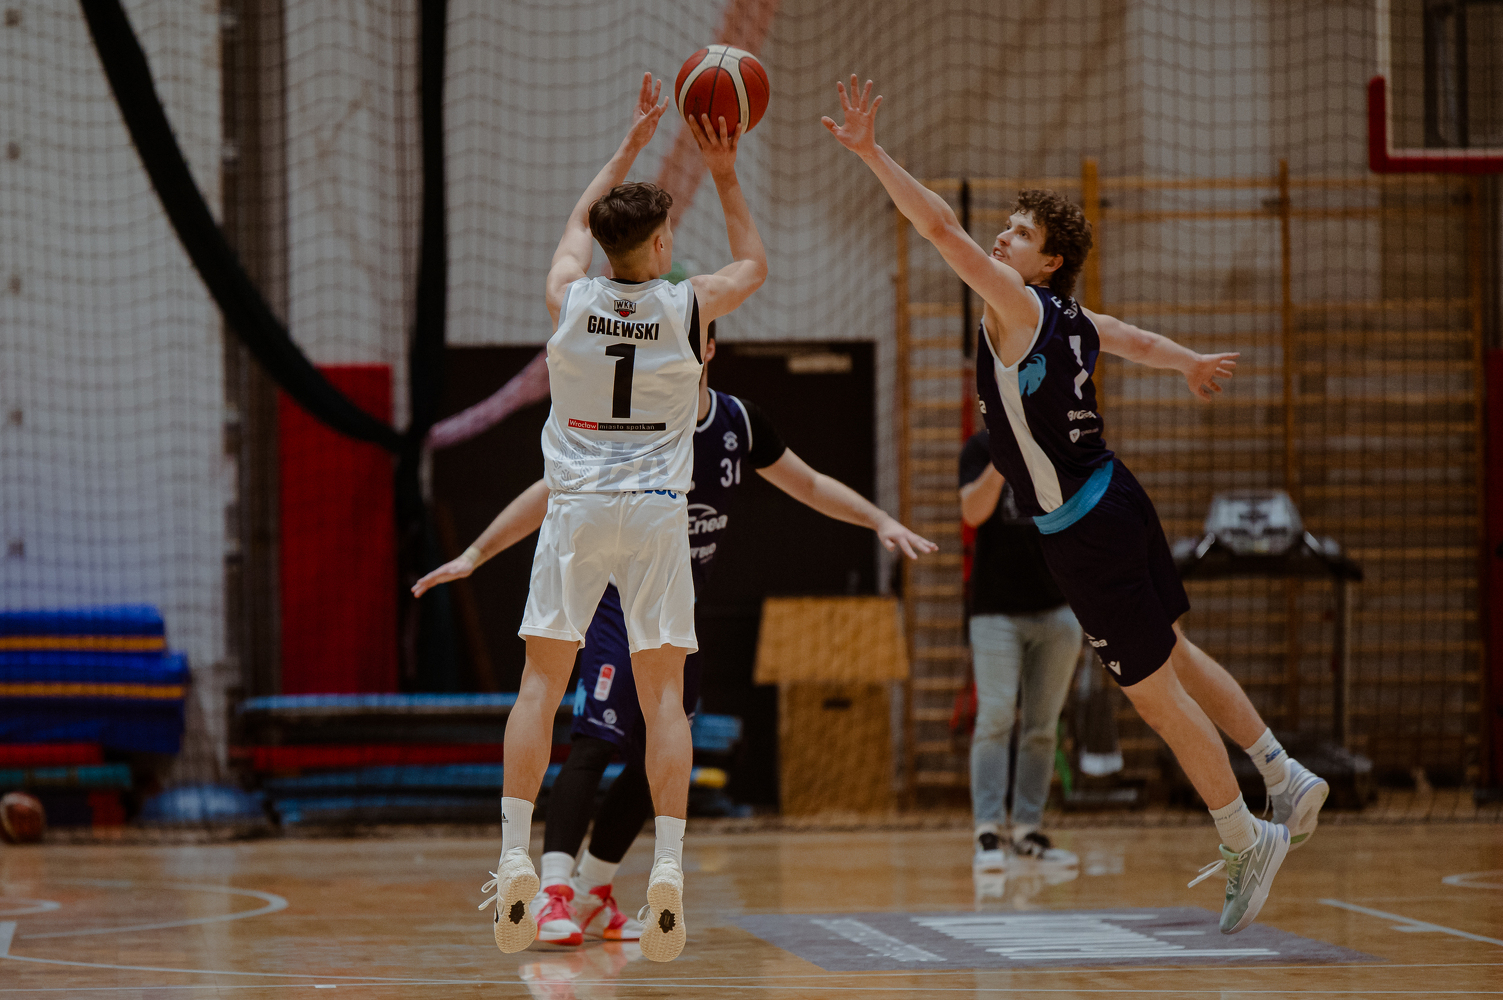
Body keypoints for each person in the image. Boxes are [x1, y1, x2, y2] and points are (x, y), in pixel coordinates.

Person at [824, 77, 1329, 935]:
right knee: (1175, 652)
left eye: (1019, 234)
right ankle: (1281, 771)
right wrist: (1187, 362)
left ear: (1046, 260)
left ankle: (1245, 836)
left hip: (1085, 530)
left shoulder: (1017, 306)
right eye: (1005, 227)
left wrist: (873, 154)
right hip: (1117, 498)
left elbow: (938, 227)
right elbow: (1135, 339)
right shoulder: (1073, 317)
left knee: (1154, 697)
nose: (1000, 237)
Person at [415, 323, 937, 946]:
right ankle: (551, 891)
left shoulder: (739, 423)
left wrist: (879, 521)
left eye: (691, 338)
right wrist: (476, 553)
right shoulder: (630, 421)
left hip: (673, 613)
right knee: (595, 740)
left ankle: (592, 890)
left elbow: (810, 483)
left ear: (709, 348)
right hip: (615, 600)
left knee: (663, 758)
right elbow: (552, 489)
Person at [450, 72, 765, 962]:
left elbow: (571, 229)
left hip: (578, 509)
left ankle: (517, 856)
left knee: (539, 688)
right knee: (664, 698)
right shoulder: (686, 303)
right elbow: (753, 265)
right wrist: (724, 172)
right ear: (661, 244)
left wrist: (629, 145)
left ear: (602, 245)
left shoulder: (572, 299)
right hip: (657, 514)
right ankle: (665, 867)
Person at [959, 429, 1082, 874]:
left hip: (1058, 608)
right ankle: (989, 831)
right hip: (996, 611)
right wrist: (1003, 459)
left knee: (1043, 726)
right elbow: (972, 513)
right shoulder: (980, 448)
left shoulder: (1061, 439)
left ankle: (1028, 830)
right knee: (995, 717)